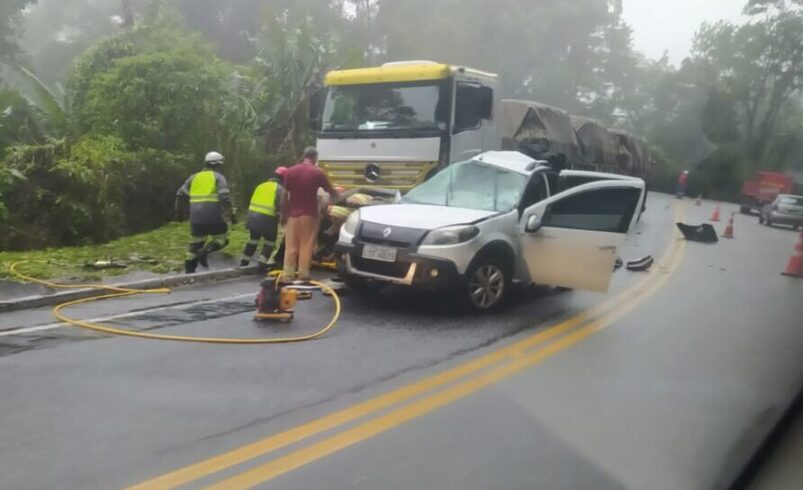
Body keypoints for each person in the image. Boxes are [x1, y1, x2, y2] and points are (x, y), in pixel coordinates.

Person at [281, 147, 338, 282]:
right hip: (309, 214)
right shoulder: (317, 172)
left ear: (304, 155)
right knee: (306, 245)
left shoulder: (290, 171)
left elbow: (284, 194)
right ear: (314, 157)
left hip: (292, 214)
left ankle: (288, 275)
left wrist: (284, 213)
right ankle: (303, 275)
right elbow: (330, 190)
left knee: (291, 245)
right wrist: (339, 197)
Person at [175, 151, 237, 273]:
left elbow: (180, 194)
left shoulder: (193, 177)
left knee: (195, 244)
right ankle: (204, 252)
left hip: (195, 217)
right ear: (218, 164)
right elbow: (224, 197)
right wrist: (232, 215)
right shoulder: (218, 177)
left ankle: (189, 273)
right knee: (222, 240)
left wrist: (179, 213)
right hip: (213, 215)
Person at [240, 166, 287, 270]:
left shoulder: (261, 185)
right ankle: (261, 263)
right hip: (268, 218)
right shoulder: (279, 189)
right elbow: (281, 205)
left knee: (253, 240)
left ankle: (244, 262)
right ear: (284, 179)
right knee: (270, 241)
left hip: (252, 216)